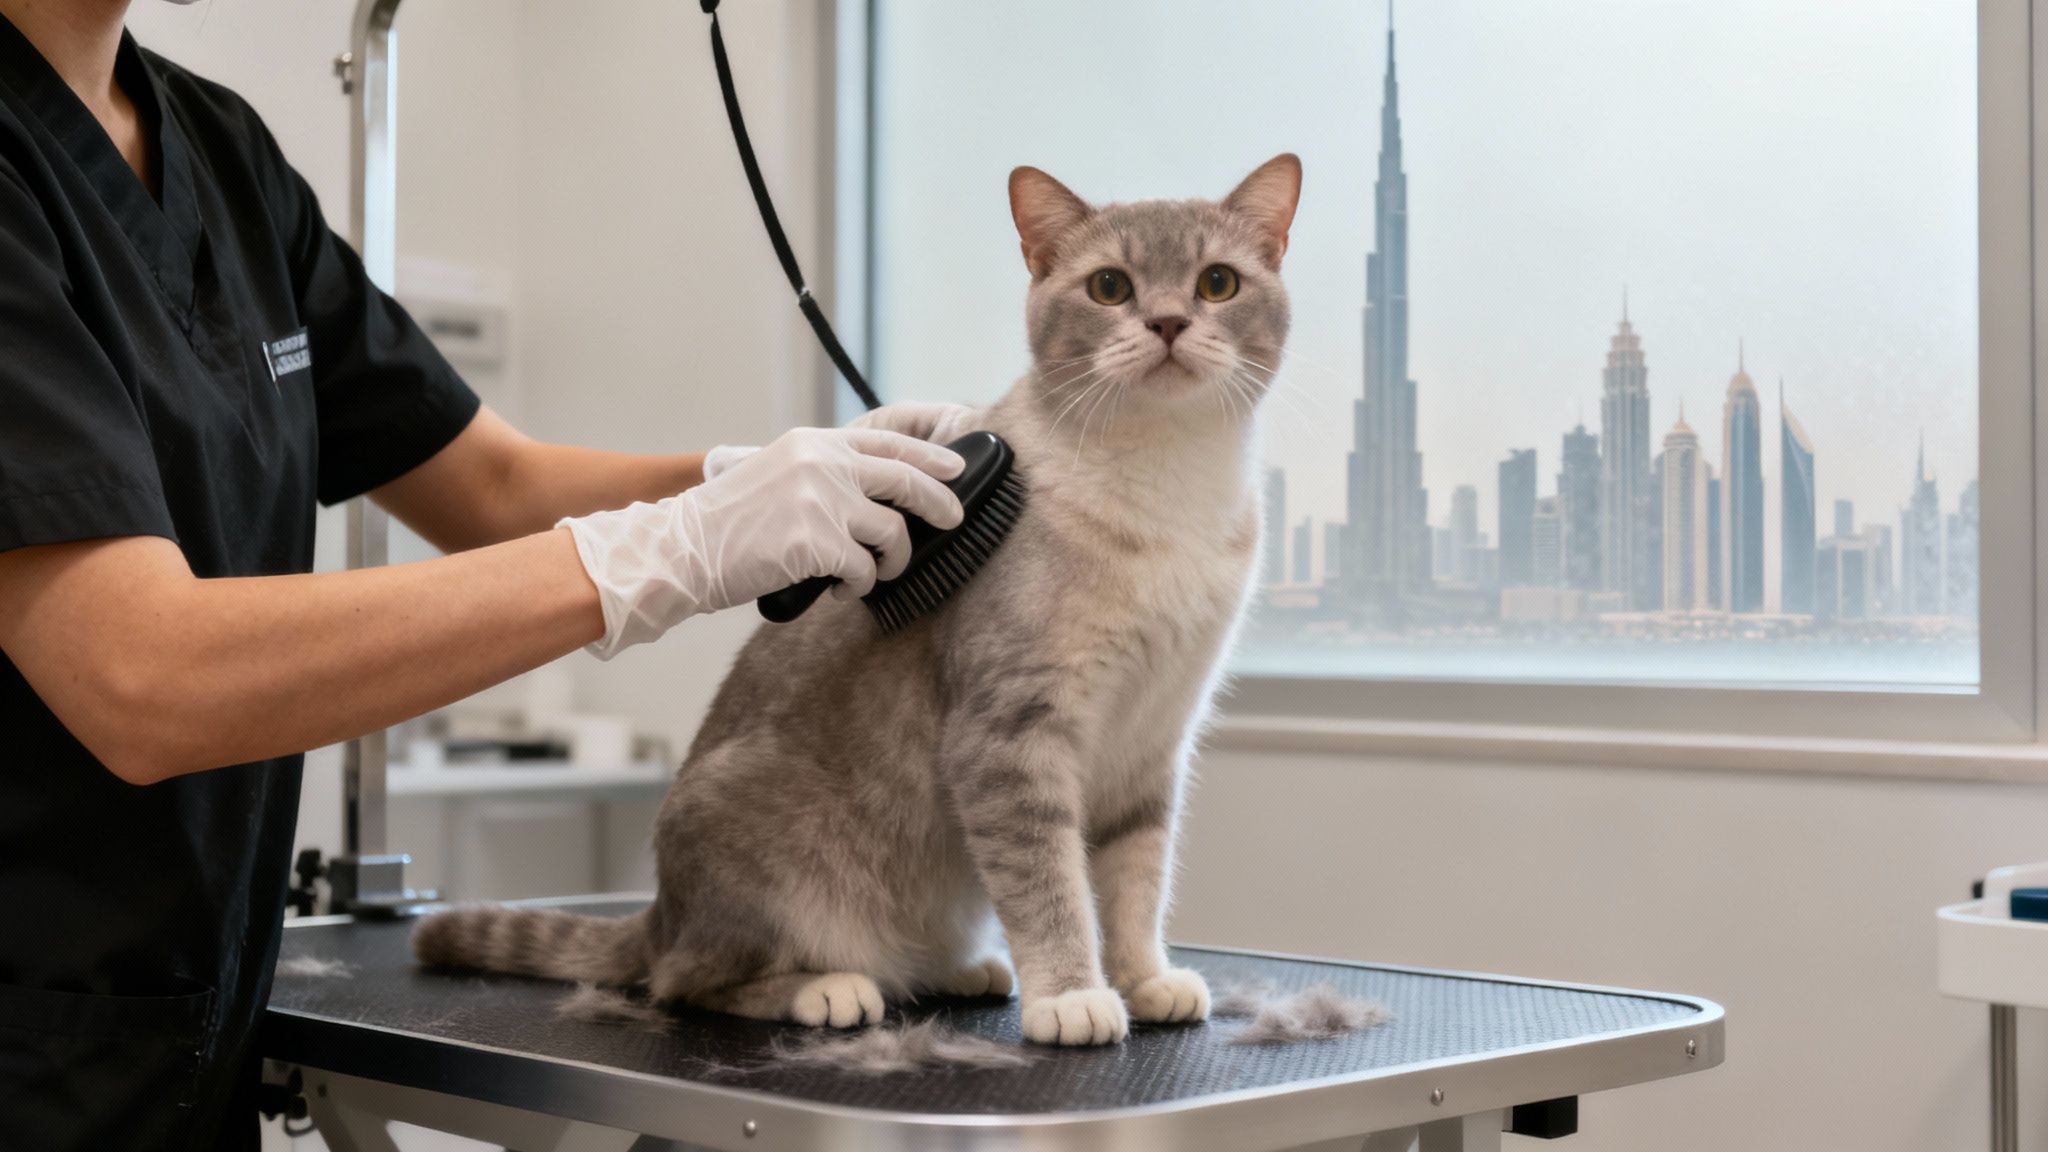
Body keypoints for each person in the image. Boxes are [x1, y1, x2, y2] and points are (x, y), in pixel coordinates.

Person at [0, 2, 970, 1147]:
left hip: (169, 1048)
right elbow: (141, 677)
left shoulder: (219, 150)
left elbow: (490, 485)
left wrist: (749, 482)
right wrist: (674, 547)